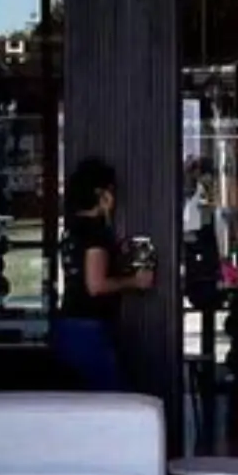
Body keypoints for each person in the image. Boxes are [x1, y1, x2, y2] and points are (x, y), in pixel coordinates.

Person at [50, 156, 153, 391]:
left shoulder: (71, 230)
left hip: (68, 323)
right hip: (89, 328)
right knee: (111, 398)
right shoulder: (96, 233)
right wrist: (135, 281)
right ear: (101, 194)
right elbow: (96, 285)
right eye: (111, 191)